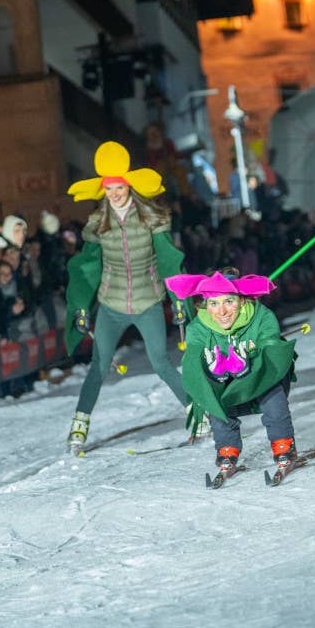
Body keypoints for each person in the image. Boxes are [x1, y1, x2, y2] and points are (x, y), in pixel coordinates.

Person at [63, 140, 196, 454]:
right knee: (98, 365)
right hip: (111, 305)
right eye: (108, 189)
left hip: (147, 301)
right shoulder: (98, 224)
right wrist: (82, 305)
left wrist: (178, 299)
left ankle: (195, 410)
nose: (114, 193)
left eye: (119, 187)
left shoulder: (152, 218)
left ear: (129, 186)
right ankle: (79, 426)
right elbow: (86, 267)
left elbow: (168, 259)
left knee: (161, 363)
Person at [165, 269, 300, 484]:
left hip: (262, 379)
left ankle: (284, 447)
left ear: (241, 299)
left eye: (229, 301)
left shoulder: (261, 317)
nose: (222, 311)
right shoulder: (198, 328)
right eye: (214, 304)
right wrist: (213, 373)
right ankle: (228, 451)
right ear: (205, 305)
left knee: (273, 399)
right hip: (229, 388)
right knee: (214, 398)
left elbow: (273, 348)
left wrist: (251, 366)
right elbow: (191, 364)